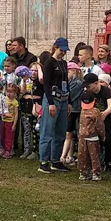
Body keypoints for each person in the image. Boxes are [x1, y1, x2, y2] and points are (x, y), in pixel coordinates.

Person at [37, 38, 71, 174]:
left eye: (65, 51)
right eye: (61, 50)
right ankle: (43, 161)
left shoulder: (64, 63)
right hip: (52, 99)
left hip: (63, 98)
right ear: (55, 47)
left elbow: (66, 81)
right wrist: (50, 103)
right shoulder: (49, 62)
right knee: (47, 131)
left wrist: (69, 101)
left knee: (61, 131)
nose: (63, 53)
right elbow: (46, 84)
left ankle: (55, 160)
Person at [76, 75, 107, 180]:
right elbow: (99, 125)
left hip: (82, 136)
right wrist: (103, 136)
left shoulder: (82, 111)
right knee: (94, 156)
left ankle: (83, 173)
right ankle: (95, 173)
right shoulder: (96, 111)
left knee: (82, 155)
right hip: (92, 136)